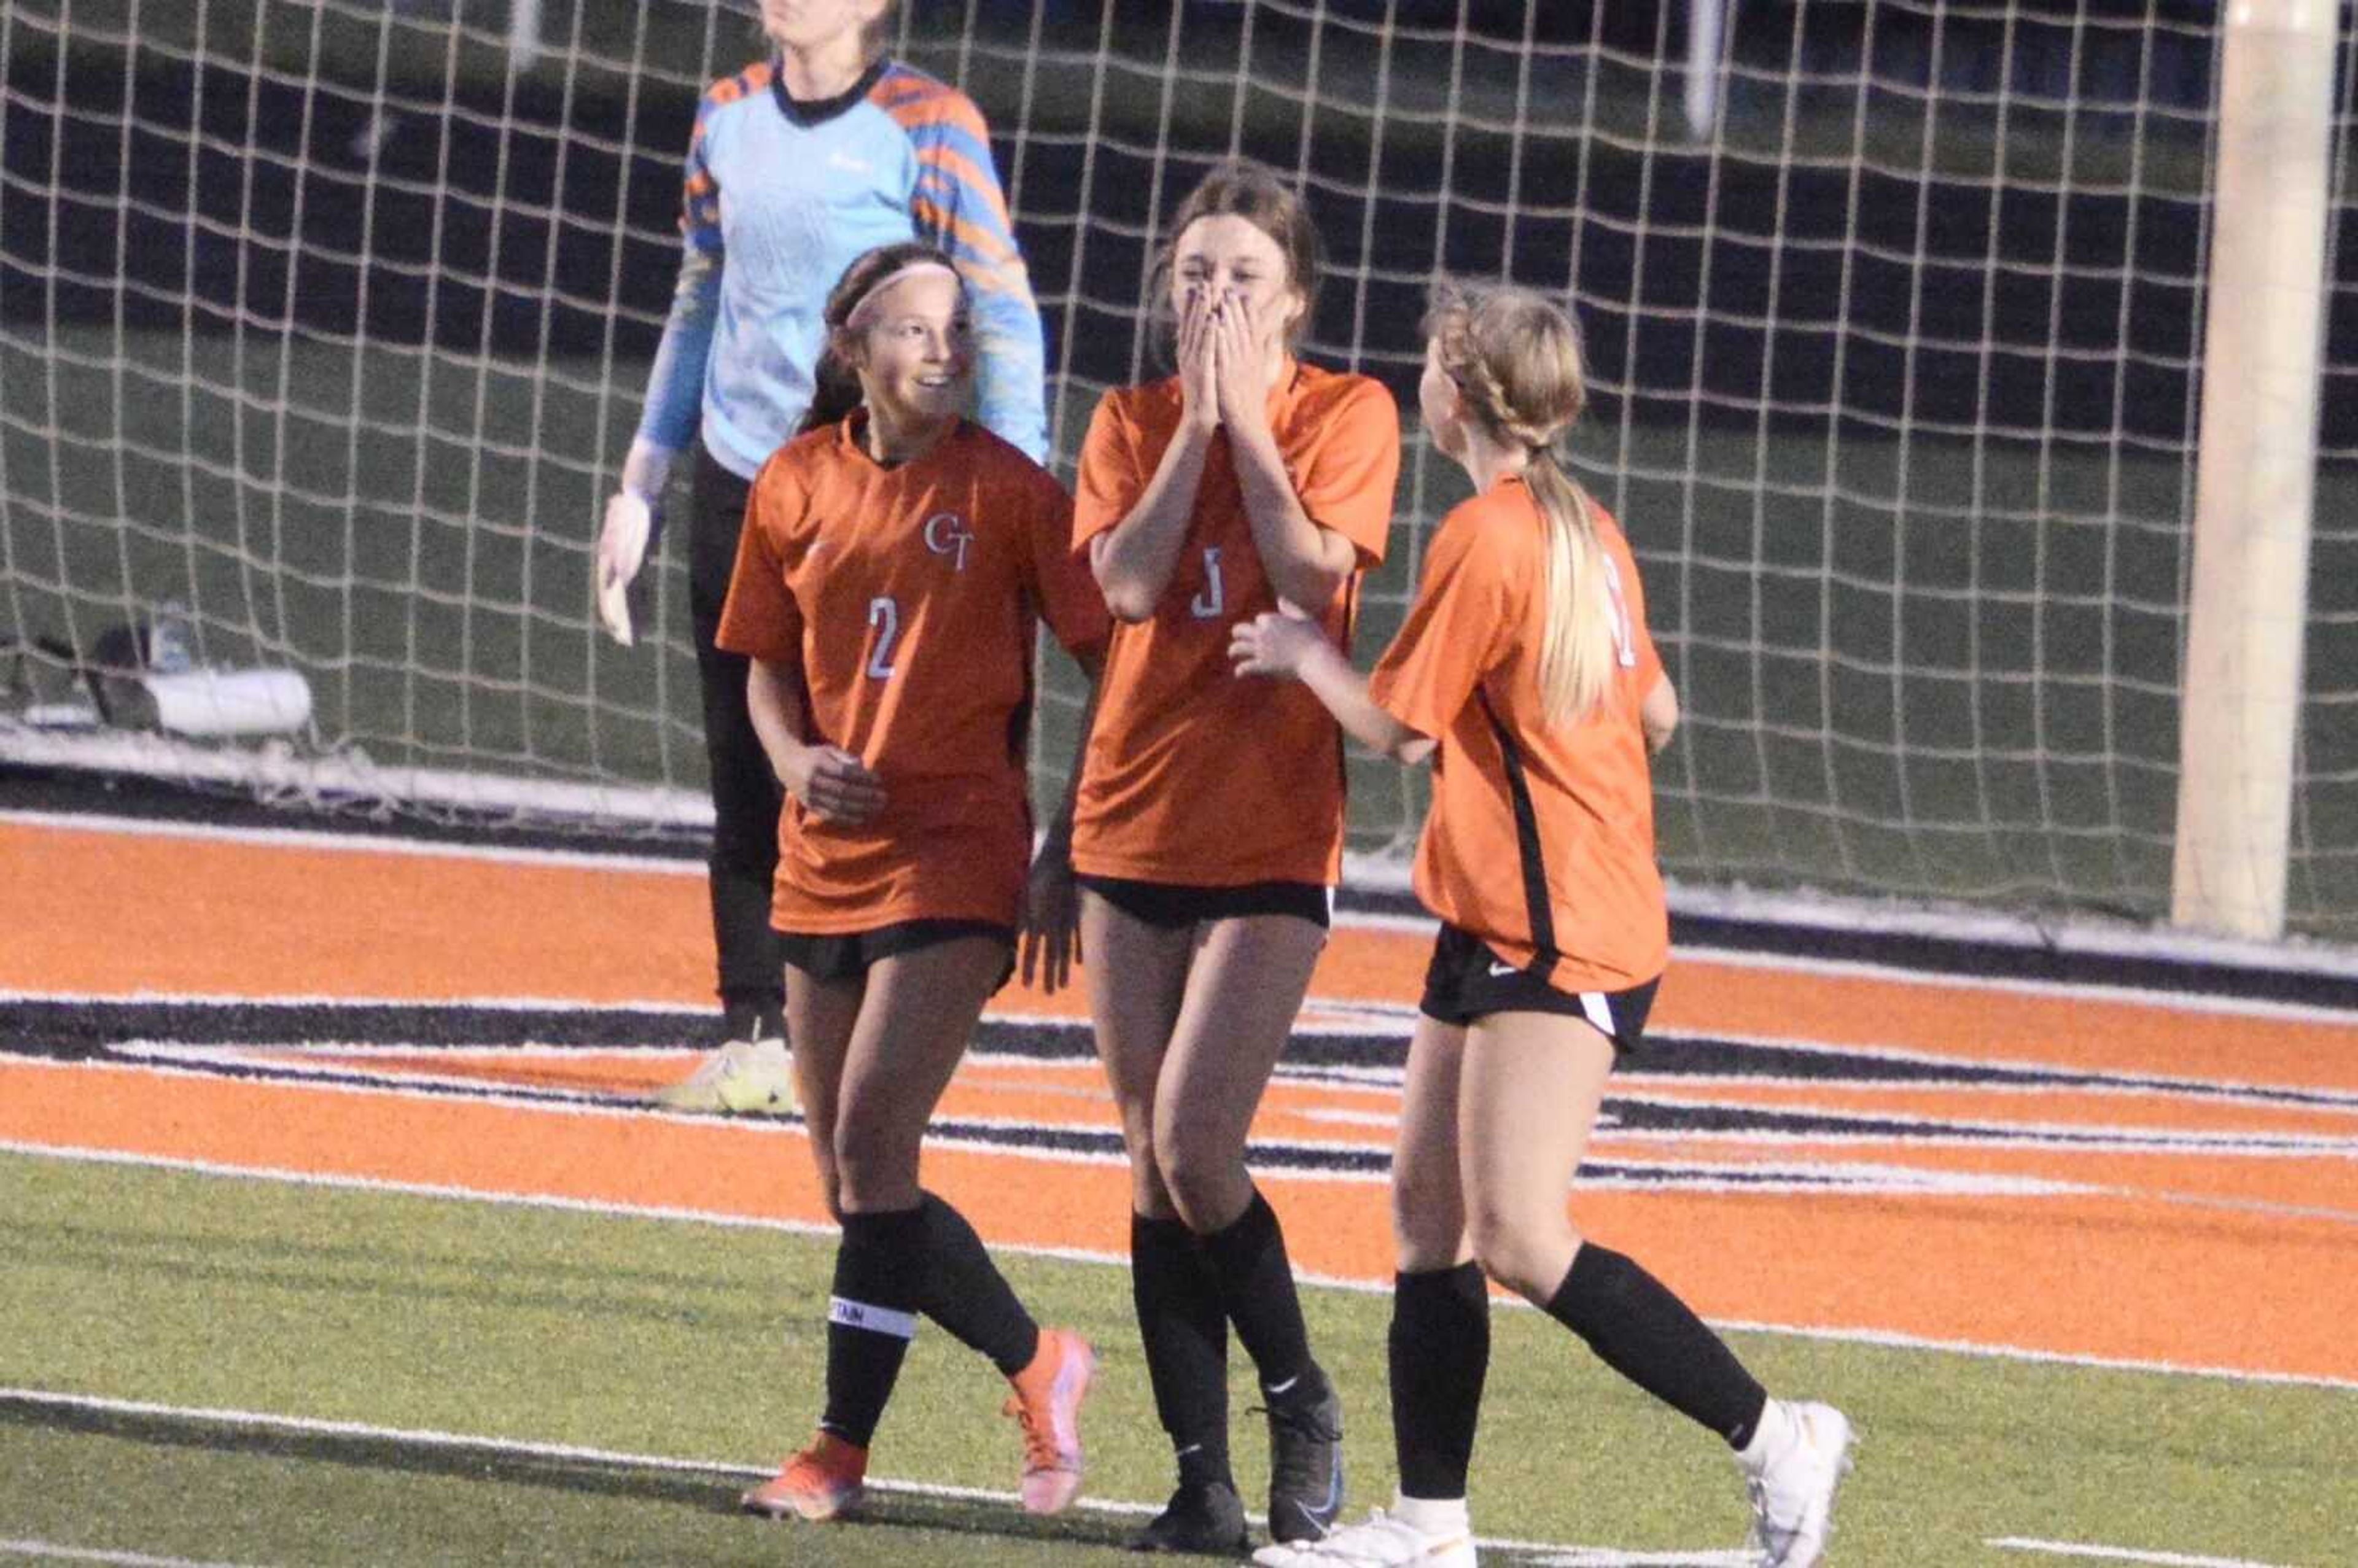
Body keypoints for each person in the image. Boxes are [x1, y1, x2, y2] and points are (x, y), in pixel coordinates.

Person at [1229, 281, 1854, 1568]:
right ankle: (1428, 1523)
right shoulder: (1582, 527)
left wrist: (1301, 650)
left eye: (1431, 363)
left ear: (1456, 393)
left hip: (1560, 930)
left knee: (1515, 1228)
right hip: (1511, 913)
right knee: (1426, 1211)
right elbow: (1661, 711)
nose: (1422, 379)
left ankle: (1779, 1435)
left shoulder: (1492, 533)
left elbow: (1398, 728)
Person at [594, 0, 1048, 1112]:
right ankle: (754, 1027)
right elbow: (700, 299)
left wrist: (1019, 487)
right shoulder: (724, 117)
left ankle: (915, 1001)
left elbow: (1001, 307)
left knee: (902, 750)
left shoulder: (932, 124)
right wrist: (640, 484)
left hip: (889, 489)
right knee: (748, 754)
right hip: (749, 478)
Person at [715, 239, 1107, 1524]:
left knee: (877, 1141)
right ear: (854, 350)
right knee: (855, 1182)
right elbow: (764, 665)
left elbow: (1117, 658)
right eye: (916, 328)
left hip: (958, 848)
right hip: (824, 857)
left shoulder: (1009, 490)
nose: (946, 348)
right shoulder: (793, 481)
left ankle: (835, 1451)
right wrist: (792, 759)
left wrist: (1069, 844)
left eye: (957, 328)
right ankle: (1040, 1357)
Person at [1069, 158, 1403, 1554]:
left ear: (1298, 305)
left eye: (1244, 280)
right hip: (1128, 821)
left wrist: (1247, 430)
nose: (1214, 297)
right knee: (1151, 1161)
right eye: (1195, 275)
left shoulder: (1350, 413)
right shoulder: (1127, 420)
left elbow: (1315, 576)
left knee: (1203, 1137)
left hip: (1267, 828)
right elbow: (1132, 583)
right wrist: (1194, 429)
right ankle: (1201, 1481)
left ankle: (1302, 1397)